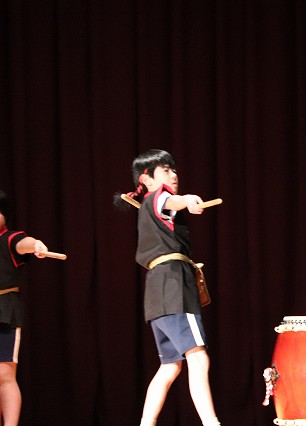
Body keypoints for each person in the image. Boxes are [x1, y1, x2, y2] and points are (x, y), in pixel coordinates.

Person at [116, 149, 221, 426]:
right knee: (198, 358)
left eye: (174, 170)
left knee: (169, 366)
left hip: (157, 291)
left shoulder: (148, 206)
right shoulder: (158, 198)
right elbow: (171, 200)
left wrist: (183, 202)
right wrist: (187, 200)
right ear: (147, 179)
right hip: (174, 285)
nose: (173, 175)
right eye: (165, 170)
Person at [0, 190, 50, 426]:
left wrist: (36, 244)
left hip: (4, 311)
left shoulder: (9, 238)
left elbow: (24, 243)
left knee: (4, 374)